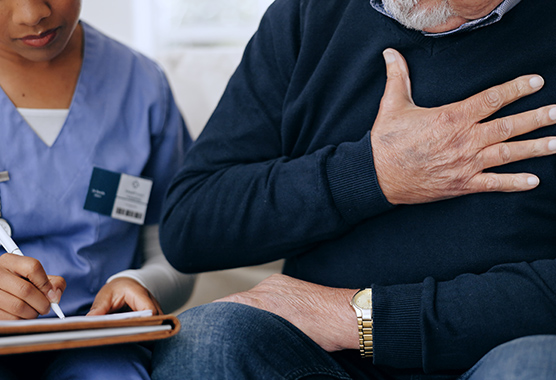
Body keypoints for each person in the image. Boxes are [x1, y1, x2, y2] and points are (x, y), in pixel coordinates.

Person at [152, 0, 556, 379]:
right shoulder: (308, 14)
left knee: (536, 365)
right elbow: (191, 226)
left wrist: (359, 319)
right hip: (321, 362)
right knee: (205, 338)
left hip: (498, 352)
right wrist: (372, 174)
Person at [0, 0, 195, 379]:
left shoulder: (141, 86)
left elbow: (177, 250)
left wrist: (140, 283)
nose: (32, 14)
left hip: (102, 344)